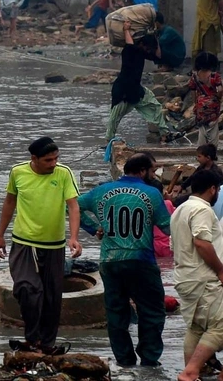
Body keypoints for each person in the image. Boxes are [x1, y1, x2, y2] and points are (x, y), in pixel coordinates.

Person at [78, 153, 171, 366]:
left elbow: (72, 206)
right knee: (152, 311)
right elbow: (166, 228)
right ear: (142, 171)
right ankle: (149, 360)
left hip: (110, 261)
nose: (154, 174)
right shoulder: (151, 193)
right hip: (142, 261)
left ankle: (124, 361)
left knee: (116, 312)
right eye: (153, 170)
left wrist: (93, 229)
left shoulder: (101, 191)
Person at [0, 137, 81, 355]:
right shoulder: (18, 172)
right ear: (34, 159)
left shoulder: (63, 173)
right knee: (27, 289)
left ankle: (46, 344)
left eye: (56, 158)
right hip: (24, 242)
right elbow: (9, 202)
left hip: (54, 245)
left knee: (52, 298)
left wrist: (74, 237)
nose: (53, 163)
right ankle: (32, 338)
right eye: (48, 160)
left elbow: (73, 206)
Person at [170, 169, 223, 381]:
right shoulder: (202, 210)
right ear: (212, 189)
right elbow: (201, 242)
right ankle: (191, 371)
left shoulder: (180, 209)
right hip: (203, 277)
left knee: (197, 327)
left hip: (185, 277)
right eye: (218, 189)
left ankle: (194, 373)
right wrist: (220, 269)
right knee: (220, 326)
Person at [105, 22, 171, 142]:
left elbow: (158, 55)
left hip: (136, 89)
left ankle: (165, 134)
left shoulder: (142, 53)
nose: (148, 50)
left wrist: (155, 39)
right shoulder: (129, 51)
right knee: (114, 118)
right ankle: (109, 140)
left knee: (155, 105)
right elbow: (130, 43)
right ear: (141, 44)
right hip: (123, 90)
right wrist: (126, 30)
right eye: (147, 48)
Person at [167, 145, 223, 209]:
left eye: (199, 156)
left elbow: (219, 188)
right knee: (179, 201)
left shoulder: (216, 172)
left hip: (208, 196)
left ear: (208, 158)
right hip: (197, 194)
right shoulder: (201, 167)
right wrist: (181, 186)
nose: (197, 159)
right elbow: (192, 178)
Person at [189, 52, 223, 146]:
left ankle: (201, 150)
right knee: (213, 129)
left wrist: (196, 103)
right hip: (213, 105)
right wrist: (217, 97)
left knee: (202, 128)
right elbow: (220, 89)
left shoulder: (195, 76)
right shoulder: (215, 76)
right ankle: (212, 152)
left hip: (200, 105)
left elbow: (192, 91)